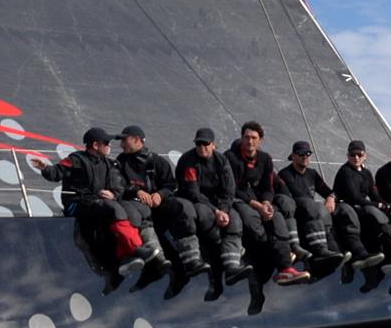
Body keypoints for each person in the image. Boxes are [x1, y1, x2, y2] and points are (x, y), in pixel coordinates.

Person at [31, 127, 159, 276]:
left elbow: (118, 187)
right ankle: (135, 248)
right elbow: (56, 173)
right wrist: (45, 168)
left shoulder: (109, 164)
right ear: (95, 145)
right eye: (106, 142)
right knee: (113, 209)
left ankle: (125, 257)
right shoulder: (76, 159)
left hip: (99, 203)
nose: (110, 145)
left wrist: (113, 194)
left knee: (129, 208)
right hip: (76, 203)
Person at [115, 125, 208, 278]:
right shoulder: (120, 162)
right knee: (141, 212)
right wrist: (136, 191)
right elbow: (119, 185)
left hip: (158, 204)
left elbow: (170, 185)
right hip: (135, 204)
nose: (121, 144)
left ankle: (192, 258)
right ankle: (158, 258)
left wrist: (160, 195)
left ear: (137, 140)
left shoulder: (157, 161)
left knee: (182, 206)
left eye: (124, 140)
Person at [225, 121, 309, 284]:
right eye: (246, 137)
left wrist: (266, 203)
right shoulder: (230, 158)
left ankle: (285, 269)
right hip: (238, 199)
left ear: (260, 140)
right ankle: (273, 256)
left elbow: (268, 187)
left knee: (277, 219)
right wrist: (257, 205)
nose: (250, 141)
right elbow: (232, 188)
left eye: (254, 138)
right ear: (241, 138)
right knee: (252, 221)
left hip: (259, 200)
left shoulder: (265, 159)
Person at [175, 128, 252, 284]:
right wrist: (216, 211)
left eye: (205, 144)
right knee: (205, 216)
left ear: (213, 145)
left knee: (234, 220)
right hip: (196, 200)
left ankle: (232, 267)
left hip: (219, 202)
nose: (202, 147)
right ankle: (215, 250)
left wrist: (223, 210)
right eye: (198, 144)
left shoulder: (221, 161)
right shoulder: (188, 161)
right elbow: (193, 192)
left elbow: (229, 189)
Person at [333, 140, 391, 274]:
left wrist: (386, 206)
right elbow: (355, 197)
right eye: (353, 154)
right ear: (348, 156)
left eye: (359, 154)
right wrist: (378, 205)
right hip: (348, 209)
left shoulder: (366, 173)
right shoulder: (345, 172)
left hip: (361, 206)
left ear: (365, 155)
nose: (356, 157)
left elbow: (374, 194)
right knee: (374, 214)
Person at [277, 141, 345, 267]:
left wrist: (331, 197)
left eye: (307, 154)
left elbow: (329, 191)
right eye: (301, 153)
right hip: (299, 216)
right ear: (293, 156)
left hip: (315, 215)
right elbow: (292, 199)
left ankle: (341, 258)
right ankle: (320, 252)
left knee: (338, 211)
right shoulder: (284, 174)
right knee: (312, 206)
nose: (305, 157)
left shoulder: (312, 173)